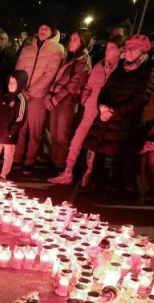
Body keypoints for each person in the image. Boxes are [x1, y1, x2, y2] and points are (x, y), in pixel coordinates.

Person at [82, 34, 154, 198]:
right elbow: (105, 89)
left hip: (125, 121)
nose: (129, 52)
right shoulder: (121, 67)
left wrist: (114, 111)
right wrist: (102, 107)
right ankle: (95, 184)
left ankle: (115, 188)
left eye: (134, 48)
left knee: (118, 156)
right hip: (107, 117)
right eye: (127, 48)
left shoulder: (148, 70)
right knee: (100, 151)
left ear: (143, 50)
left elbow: (141, 98)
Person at [49, 35, 124, 186]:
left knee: (95, 147)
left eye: (111, 49)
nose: (107, 51)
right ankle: (68, 172)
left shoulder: (121, 70)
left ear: (120, 51)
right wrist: (85, 97)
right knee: (76, 141)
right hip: (90, 110)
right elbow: (89, 85)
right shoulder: (99, 66)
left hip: (104, 115)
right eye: (107, 48)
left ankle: (88, 175)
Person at [13, 17, 64, 173]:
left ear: (52, 31)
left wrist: (31, 91)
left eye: (46, 28)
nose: (42, 31)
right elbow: (18, 69)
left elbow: (49, 75)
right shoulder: (28, 48)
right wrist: (20, 89)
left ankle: (30, 160)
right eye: (41, 27)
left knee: (35, 130)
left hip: (39, 95)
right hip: (23, 93)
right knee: (20, 127)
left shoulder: (57, 49)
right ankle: (17, 158)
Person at [46, 29, 92, 170]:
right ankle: (54, 162)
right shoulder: (69, 58)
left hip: (67, 102)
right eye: (71, 39)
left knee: (62, 135)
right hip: (55, 98)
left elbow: (73, 85)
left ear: (83, 43)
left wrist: (55, 99)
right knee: (54, 134)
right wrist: (49, 94)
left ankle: (60, 165)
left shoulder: (83, 62)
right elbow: (57, 77)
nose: (70, 42)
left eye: (75, 40)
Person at [0, 71, 29, 180]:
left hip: (9, 134)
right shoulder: (5, 97)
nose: (10, 84)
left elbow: (20, 118)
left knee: (8, 155)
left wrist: (11, 132)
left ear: (20, 84)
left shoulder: (21, 100)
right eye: (9, 82)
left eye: (13, 82)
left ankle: (3, 174)